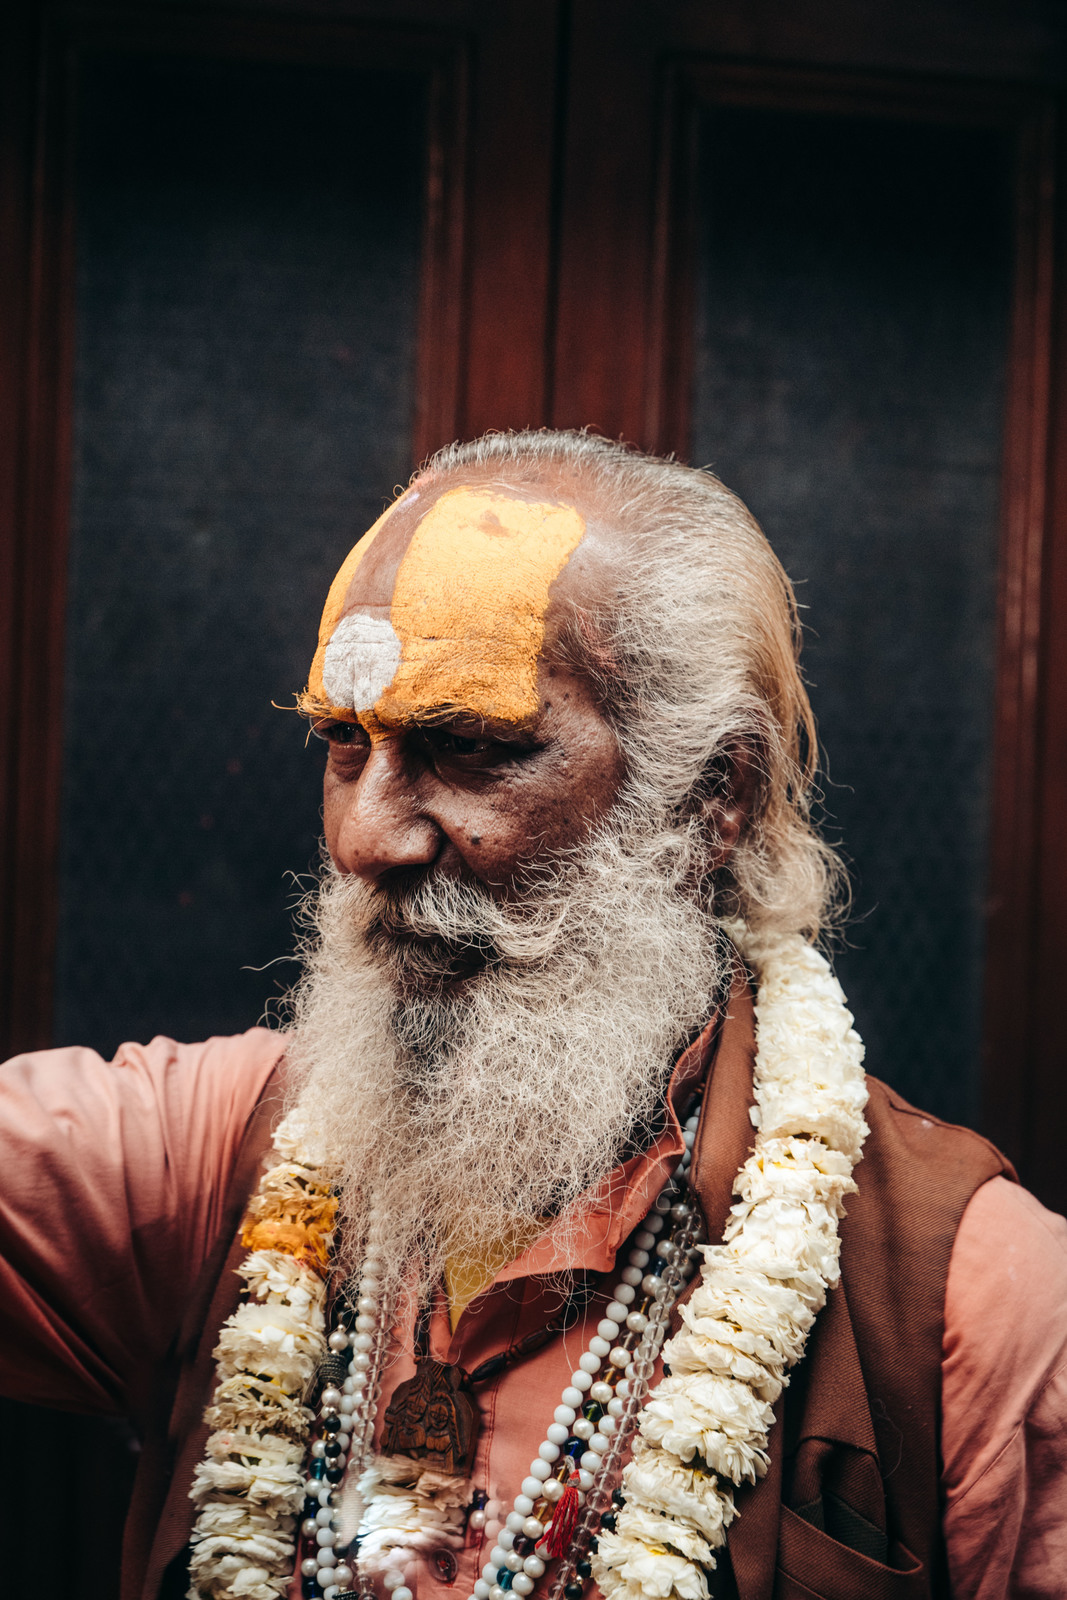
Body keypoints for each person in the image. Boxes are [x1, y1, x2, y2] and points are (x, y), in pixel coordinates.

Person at [1, 430, 1065, 1600]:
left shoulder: (976, 1293)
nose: (365, 840)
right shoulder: (221, 1153)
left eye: (469, 746)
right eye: (342, 744)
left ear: (714, 795)